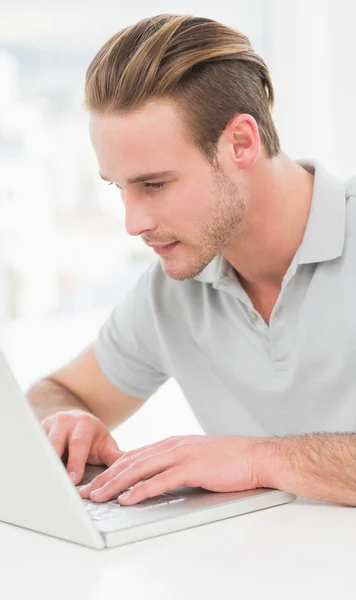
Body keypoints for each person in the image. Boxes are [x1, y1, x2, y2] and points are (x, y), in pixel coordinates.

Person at [27, 14, 356, 508]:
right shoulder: (173, 287)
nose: (132, 222)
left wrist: (258, 459)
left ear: (240, 143)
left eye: (154, 184)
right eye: (119, 187)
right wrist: (66, 421)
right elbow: (55, 392)